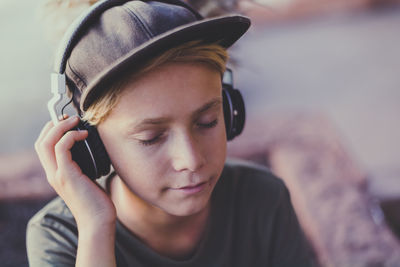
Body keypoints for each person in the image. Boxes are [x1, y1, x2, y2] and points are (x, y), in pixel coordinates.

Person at [27, 0, 314, 266]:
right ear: (92, 146)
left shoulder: (265, 200)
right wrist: (95, 227)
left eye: (207, 121)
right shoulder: (59, 236)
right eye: (151, 137)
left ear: (228, 111)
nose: (191, 159)